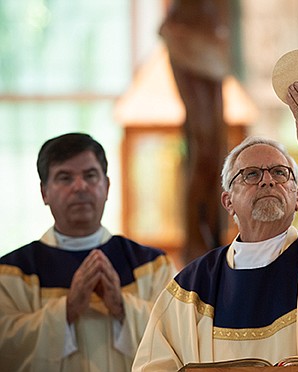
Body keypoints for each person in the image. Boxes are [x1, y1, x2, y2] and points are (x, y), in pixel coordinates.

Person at [132, 82, 298, 372]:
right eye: (251, 174)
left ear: (297, 198)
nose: (267, 181)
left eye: (280, 172)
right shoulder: (191, 288)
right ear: (228, 202)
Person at [0, 133, 176, 371]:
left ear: (107, 186)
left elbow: (178, 335)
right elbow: (6, 347)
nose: (80, 186)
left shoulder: (152, 264)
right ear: (44, 193)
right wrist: (67, 309)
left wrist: (122, 308)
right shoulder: (12, 272)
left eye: (90, 176)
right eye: (65, 177)